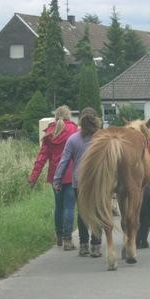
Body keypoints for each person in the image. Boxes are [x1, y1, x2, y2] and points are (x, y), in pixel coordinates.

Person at [53, 107, 103, 257]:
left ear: (80, 120)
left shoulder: (73, 139)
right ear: (96, 119)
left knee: (82, 213)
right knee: (98, 212)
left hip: (79, 181)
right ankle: (96, 246)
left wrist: (57, 179)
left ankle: (83, 245)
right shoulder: (102, 138)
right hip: (98, 181)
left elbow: (64, 161)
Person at [29, 105, 78, 250]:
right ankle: (68, 240)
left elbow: (42, 157)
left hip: (55, 175)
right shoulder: (74, 131)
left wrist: (33, 177)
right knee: (69, 206)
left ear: (55, 117)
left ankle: (58, 236)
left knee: (59, 206)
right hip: (70, 174)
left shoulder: (50, 133)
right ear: (69, 116)